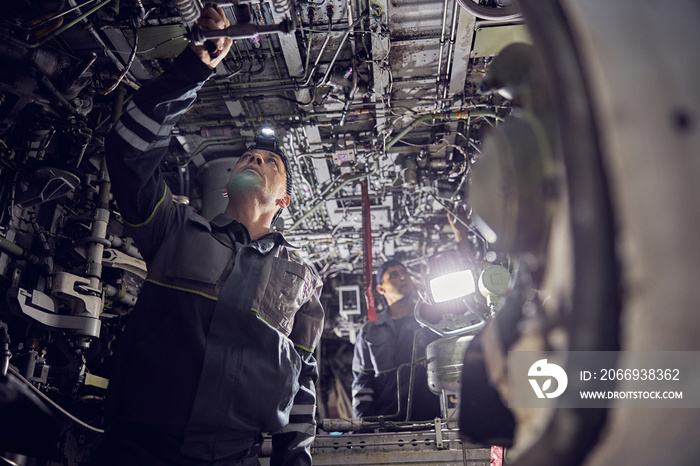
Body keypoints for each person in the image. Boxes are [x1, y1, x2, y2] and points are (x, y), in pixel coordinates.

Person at [92, 7, 324, 466]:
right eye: (249, 157)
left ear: (284, 202)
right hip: (137, 446)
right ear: (225, 185)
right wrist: (192, 70)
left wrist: (293, 460)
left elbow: (303, 381)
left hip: (233, 455)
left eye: (270, 163)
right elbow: (127, 152)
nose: (256, 159)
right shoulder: (174, 228)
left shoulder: (303, 278)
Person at [351, 259, 441, 421]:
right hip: (388, 421)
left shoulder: (431, 318)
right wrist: (361, 428)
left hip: (432, 418)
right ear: (381, 288)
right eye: (394, 275)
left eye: (404, 272)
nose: (402, 277)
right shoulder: (370, 330)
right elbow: (362, 382)